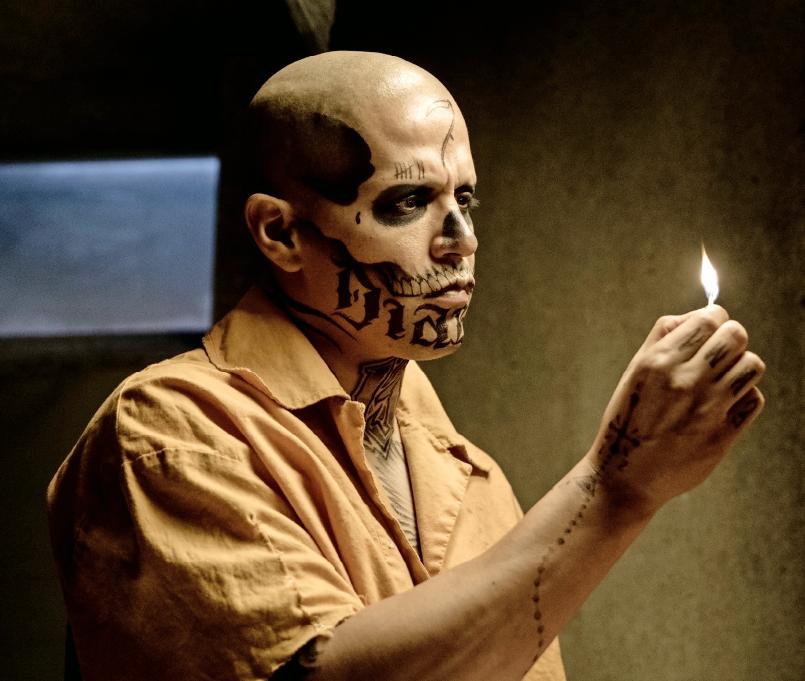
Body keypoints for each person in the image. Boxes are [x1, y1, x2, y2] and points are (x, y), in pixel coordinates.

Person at [47, 51, 765, 681]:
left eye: (465, 197)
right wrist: (614, 489)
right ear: (280, 232)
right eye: (408, 200)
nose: (461, 239)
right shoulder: (172, 433)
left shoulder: (472, 475)